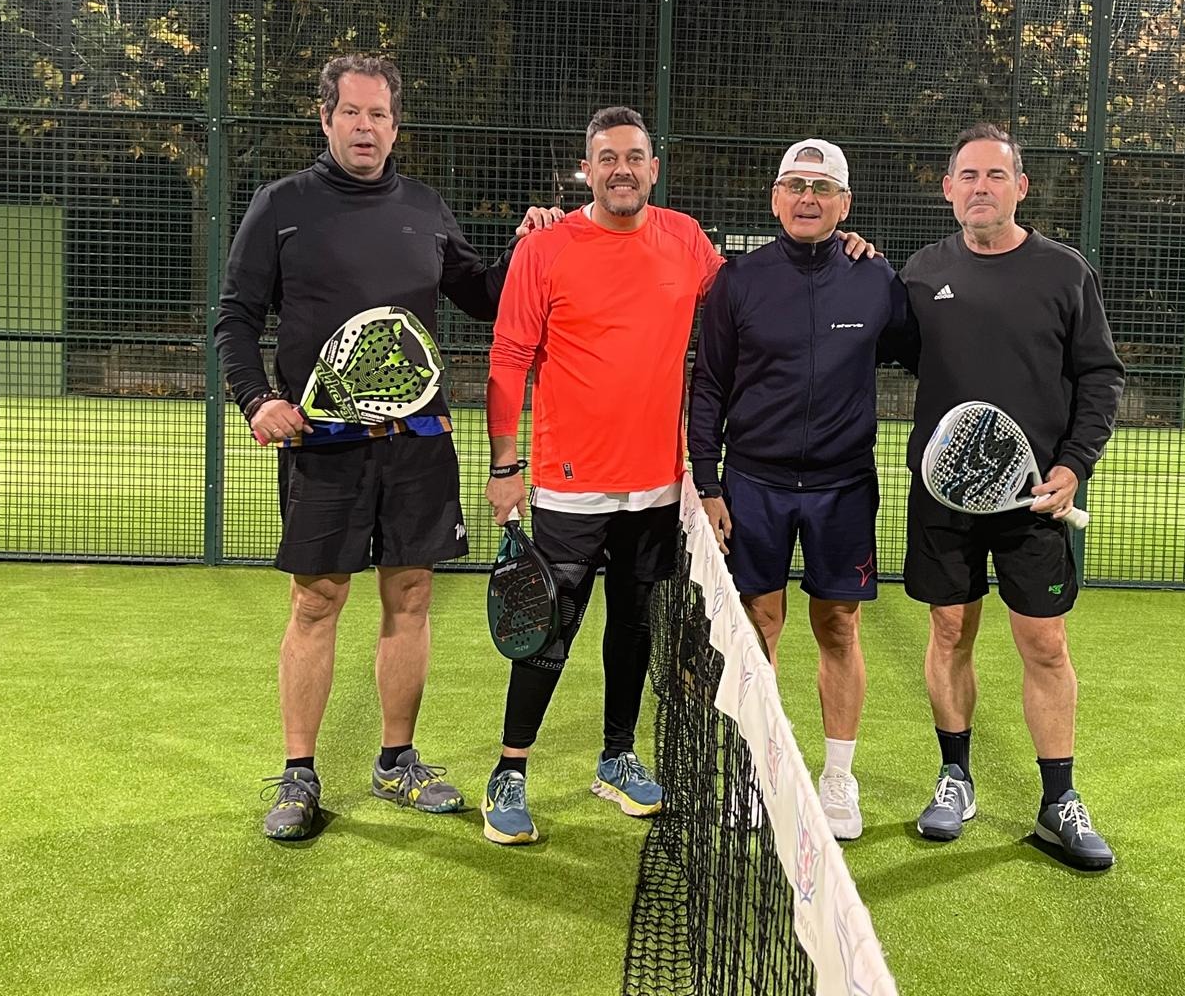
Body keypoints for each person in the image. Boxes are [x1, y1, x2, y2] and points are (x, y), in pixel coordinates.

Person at [481, 108, 878, 846]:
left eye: (634, 157)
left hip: (659, 485)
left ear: (653, 169)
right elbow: (507, 359)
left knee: (634, 627)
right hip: (568, 482)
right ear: (588, 169)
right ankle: (510, 770)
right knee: (549, 629)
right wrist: (506, 465)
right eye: (607, 158)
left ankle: (616, 758)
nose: (621, 170)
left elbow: (761, 291)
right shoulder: (546, 248)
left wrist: (841, 251)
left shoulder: (686, 239)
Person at [215, 53, 560, 841]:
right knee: (316, 602)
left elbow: (483, 296)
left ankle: (396, 761)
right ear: (326, 118)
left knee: (410, 598)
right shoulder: (282, 206)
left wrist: (525, 249)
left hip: (418, 445)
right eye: (352, 112)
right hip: (324, 447)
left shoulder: (425, 207)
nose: (365, 127)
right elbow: (235, 315)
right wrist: (257, 399)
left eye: (379, 115)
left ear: (395, 126)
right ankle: (299, 775)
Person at [898, 122, 1125, 871]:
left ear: (1021, 187)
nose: (981, 187)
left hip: (1034, 500)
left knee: (1045, 643)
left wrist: (1074, 466)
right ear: (948, 189)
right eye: (968, 175)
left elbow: (1100, 376)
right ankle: (955, 777)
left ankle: (1058, 801)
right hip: (945, 498)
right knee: (949, 631)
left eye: (996, 175)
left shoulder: (1064, 272)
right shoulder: (921, 273)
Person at [687, 139, 909, 842]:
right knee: (758, 627)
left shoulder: (875, 279)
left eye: (822, 188)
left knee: (838, 626)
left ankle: (838, 779)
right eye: (795, 186)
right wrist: (707, 481)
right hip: (753, 483)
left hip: (844, 486)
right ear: (775, 198)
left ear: (845, 205)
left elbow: (923, 353)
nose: (807, 198)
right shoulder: (738, 281)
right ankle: (757, 773)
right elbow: (708, 386)